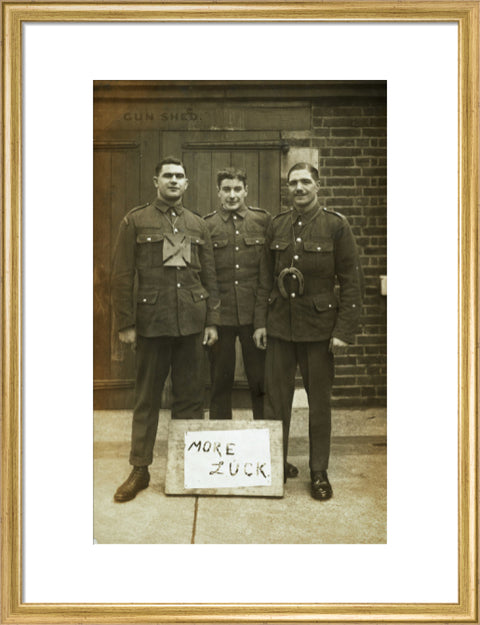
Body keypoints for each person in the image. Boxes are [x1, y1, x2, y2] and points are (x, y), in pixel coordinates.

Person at [111, 156, 220, 502]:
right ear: (155, 181)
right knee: (146, 398)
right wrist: (127, 323)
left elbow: (210, 277)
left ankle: (189, 467)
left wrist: (212, 321)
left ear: (187, 184)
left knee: (190, 398)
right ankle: (140, 469)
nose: (174, 181)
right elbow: (122, 275)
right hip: (152, 324)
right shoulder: (136, 221)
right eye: (168, 176)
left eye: (180, 176)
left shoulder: (197, 224)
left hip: (190, 323)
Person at [253, 162, 363, 500]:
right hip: (280, 329)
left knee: (319, 404)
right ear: (288, 188)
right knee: (276, 402)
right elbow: (264, 279)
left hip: (319, 331)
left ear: (317, 185)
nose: (299, 188)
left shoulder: (335, 226)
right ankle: (275, 466)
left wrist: (343, 330)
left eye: (305, 182)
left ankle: (319, 472)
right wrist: (260, 322)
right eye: (293, 183)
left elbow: (351, 281)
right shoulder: (278, 225)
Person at [204, 167, 298, 481]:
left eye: (237, 189)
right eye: (226, 189)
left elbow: (268, 276)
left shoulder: (263, 221)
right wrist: (212, 321)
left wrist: (261, 323)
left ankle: (268, 456)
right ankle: (218, 461)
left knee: (262, 386)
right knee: (219, 385)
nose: (232, 195)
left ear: (246, 191)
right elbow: (208, 278)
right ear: (218, 192)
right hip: (221, 320)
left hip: (255, 320)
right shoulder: (207, 225)